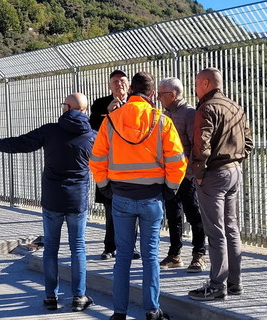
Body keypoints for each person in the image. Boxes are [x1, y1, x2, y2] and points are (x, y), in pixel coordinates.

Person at [0, 93, 96, 312]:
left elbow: (22, 143)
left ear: (67, 107)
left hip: (52, 198)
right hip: (77, 200)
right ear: (85, 110)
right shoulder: (92, 135)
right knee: (77, 248)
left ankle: (50, 297)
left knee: (50, 248)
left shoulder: (50, 130)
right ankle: (79, 297)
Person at [89, 72, 188, 320]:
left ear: (131, 90)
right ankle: (152, 311)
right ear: (152, 94)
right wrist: (170, 189)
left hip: (120, 196)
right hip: (152, 197)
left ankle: (119, 312)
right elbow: (178, 161)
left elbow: (97, 159)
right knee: (150, 256)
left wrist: (105, 186)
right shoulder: (161, 120)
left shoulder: (111, 120)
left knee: (122, 256)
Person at [188, 68, 253, 301]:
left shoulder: (206, 108)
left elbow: (201, 146)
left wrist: (199, 173)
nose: (194, 89)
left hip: (214, 174)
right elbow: (248, 141)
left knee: (215, 232)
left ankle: (217, 285)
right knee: (231, 229)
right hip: (234, 171)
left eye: (196, 84)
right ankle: (235, 282)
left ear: (206, 83)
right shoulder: (236, 106)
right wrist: (235, 159)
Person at [89, 69, 141, 260]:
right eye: (115, 81)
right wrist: (108, 113)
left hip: (133, 164)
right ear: (110, 85)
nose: (119, 84)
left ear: (129, 85)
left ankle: (131, 246)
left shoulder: (137, 103)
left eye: (122, 81)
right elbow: (92, 129)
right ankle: (109, 247)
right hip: (109, 164)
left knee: (132, 207)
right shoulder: (101, 104)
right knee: (110, 207)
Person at [157, 77, 206, 273]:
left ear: (173, 95)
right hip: (169, 174)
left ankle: (199, 254)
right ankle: (175, 254)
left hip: (186, 175)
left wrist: (191, 173)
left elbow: (196, 146)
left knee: (193, 213)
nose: (159, 97)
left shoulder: (189, 114)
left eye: (162, 94)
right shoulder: (165, 114)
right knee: (173, 214)